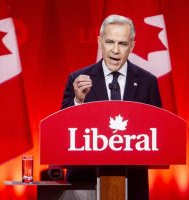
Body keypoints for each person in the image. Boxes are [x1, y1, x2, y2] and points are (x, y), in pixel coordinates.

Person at [61, 14, 162, 200]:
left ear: (132, 46)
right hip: (84, 184)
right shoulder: (78, 80)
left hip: (132, 185)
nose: (115, 50)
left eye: (122, 44)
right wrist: (78, 102)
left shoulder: (148, 82)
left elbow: (158, 135)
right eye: (109, 42)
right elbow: (62, 134)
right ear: (100, 42)